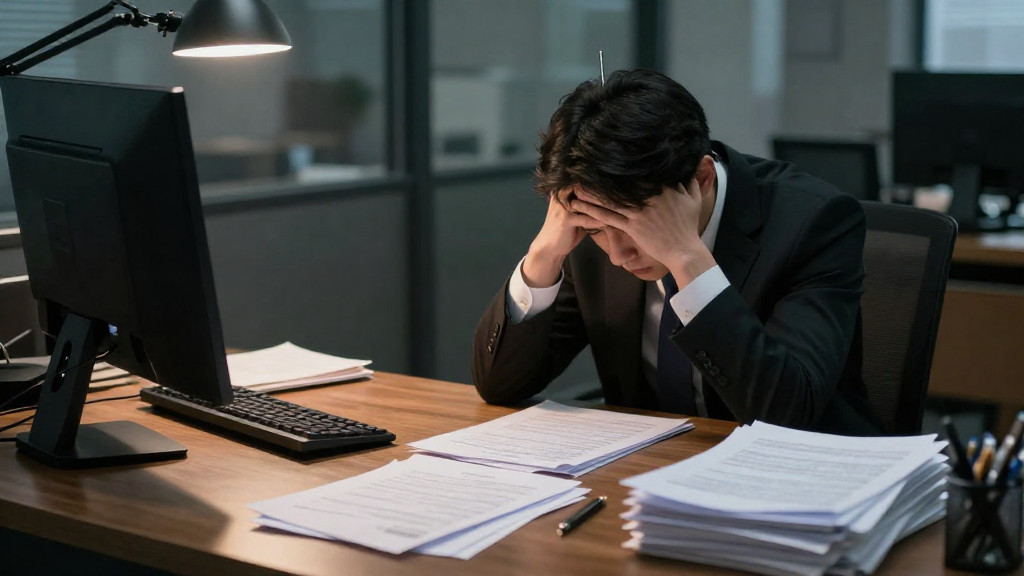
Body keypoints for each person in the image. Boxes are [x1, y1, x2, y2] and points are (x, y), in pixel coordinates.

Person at [471, 69, 881, 436]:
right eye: (598, 231)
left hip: (802, 481)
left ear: (701, 178)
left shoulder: (814, 222)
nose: (618, 255)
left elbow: (786, 413)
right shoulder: (590, 221)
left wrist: (689, 260)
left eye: (635, 227)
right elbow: (500, 385)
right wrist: (544, 254)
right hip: (651, 474)